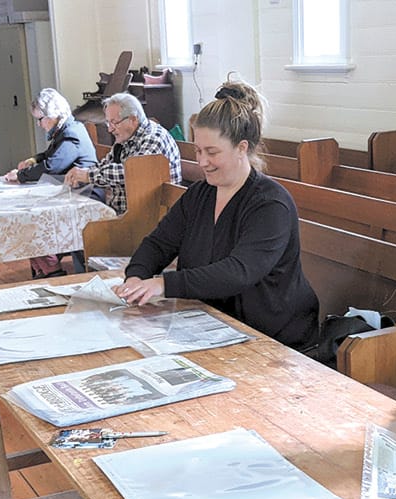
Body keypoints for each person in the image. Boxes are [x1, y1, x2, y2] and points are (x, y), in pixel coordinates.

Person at [111, 76, 321, 350]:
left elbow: (239, 271)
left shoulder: (270, 205)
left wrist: (164, 284)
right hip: (211, 323)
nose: (202, 162)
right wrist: (136, 276)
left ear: (241, 148)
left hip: (270, 337)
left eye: (212, 152)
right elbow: (160, 242)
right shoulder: (200, 194)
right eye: (198, 150)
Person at [3, 89, 99, 277]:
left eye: (40, 119)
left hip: (85, 193)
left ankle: (50, 267)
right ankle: (45, 266)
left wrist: (21, 175)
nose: (39, 125)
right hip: (71, 189)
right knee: (27, 214)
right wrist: (31, 161)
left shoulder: (71, 133)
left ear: (53, 115)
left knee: (32, 216)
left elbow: (52, 165)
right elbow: (49, 155)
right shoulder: (65, 129)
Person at [64, 92, 182, 215]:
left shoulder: (154, 138)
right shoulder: (126, 137)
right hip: (124, 213)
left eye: (114, 122)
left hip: (148, 217)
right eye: (108, 123)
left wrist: (89, 175)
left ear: (133, 119)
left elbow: (131, 173)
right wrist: (81, 173)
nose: (110, 129)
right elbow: (105, 164)